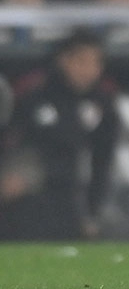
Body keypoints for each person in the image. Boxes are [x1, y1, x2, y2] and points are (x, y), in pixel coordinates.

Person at [0, 29, 120, 241]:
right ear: (64, 60)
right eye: (82, 62)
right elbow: (10, 141)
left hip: (72, 193)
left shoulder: (103, 102)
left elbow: (103, 159)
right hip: (31, 189)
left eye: (96, 63)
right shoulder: (34, 93)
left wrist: (93, 211)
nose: (90, 70)